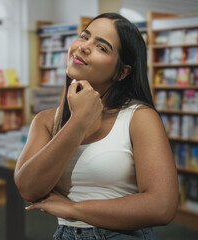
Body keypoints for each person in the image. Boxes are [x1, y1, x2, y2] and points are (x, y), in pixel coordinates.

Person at [14, 12, 178, 240]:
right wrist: (78, 121)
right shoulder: (45, 120)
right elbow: (29, 189)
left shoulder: (139, 118)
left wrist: (73, 209)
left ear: (122, 72)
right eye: (84, 36)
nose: (83, 47)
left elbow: (162, 207)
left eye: (102, 47)